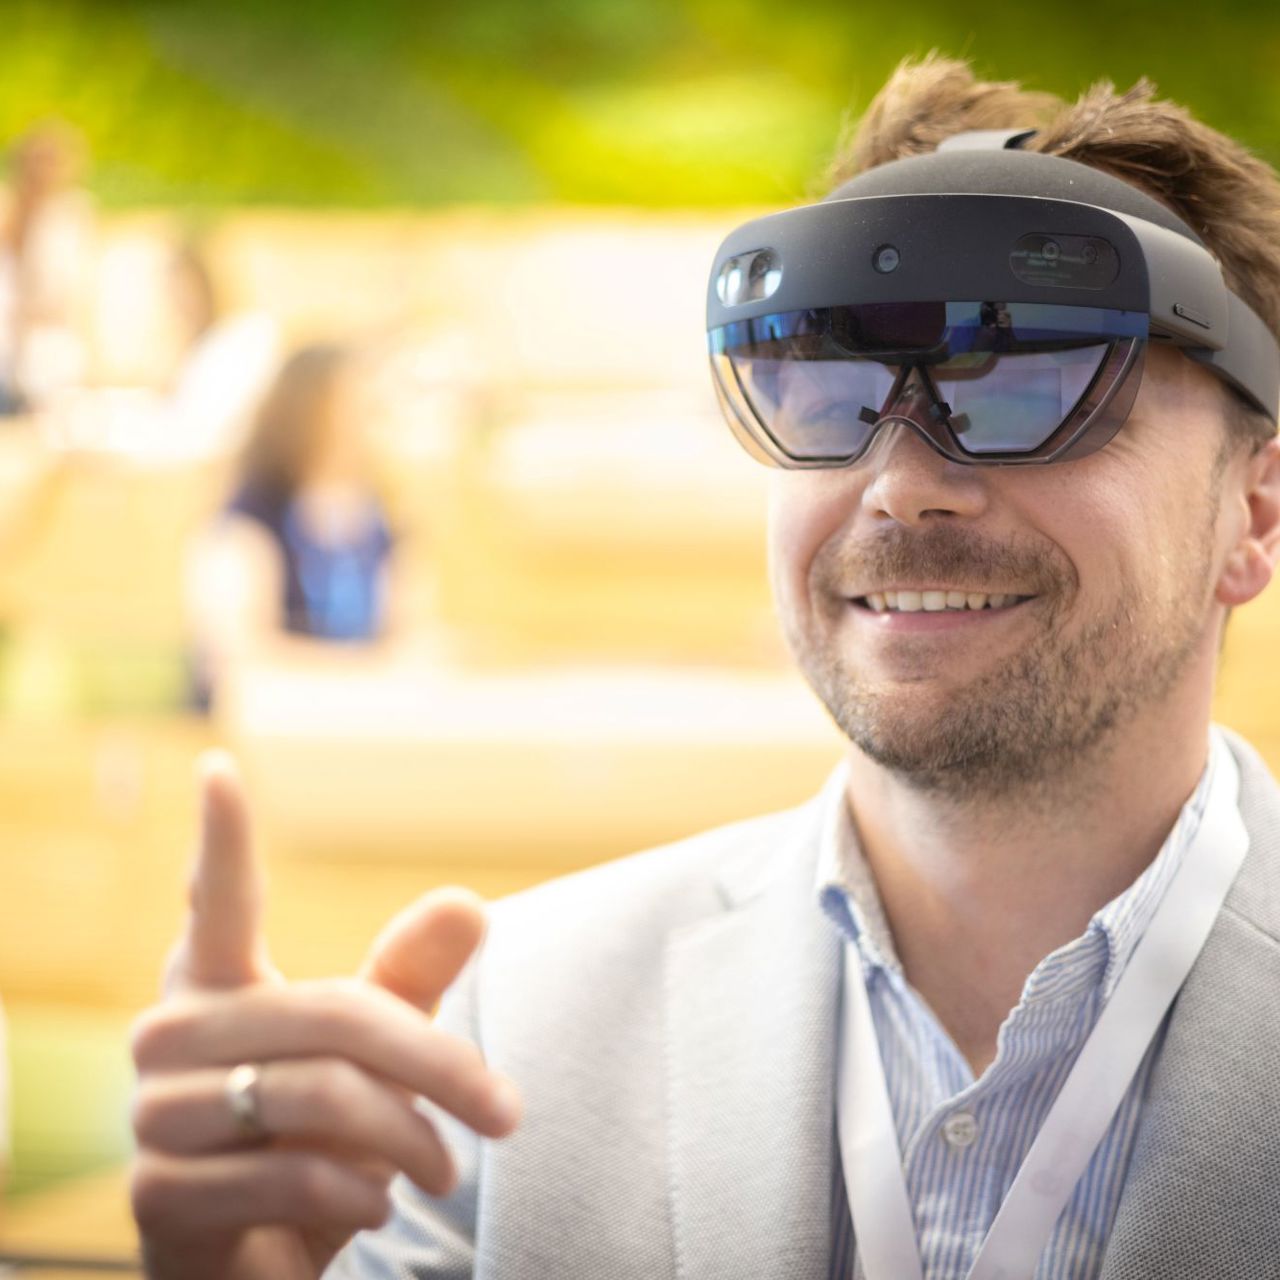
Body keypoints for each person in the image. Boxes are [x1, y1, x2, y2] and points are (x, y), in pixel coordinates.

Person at [129, 53, 1280, 1279]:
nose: (898, 481)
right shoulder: (514, 1027)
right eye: (827, 382)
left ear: (1253, 512)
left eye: (1034, 376)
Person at [185, 342, 398, 712]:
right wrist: (365, 668)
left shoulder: (381, 520)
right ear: (308, 413)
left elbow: (407, 635)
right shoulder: (249, 520)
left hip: (356, 718)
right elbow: (242, 651)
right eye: (351, 407)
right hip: (264, 724)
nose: (365, 425)